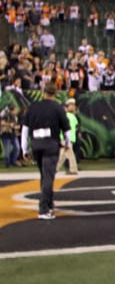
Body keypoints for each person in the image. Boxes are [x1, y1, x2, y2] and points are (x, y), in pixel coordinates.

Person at [20, 84, 70, 220]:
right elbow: (66, 128)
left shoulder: (33, 106)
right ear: (55, 93)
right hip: (51, 144)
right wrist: (68, 143)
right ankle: (43, 209)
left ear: (43, 92)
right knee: (48, 176)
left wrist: (24, 149)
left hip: (36, 144)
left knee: (44, 174)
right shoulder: (57, 108)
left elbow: (24, 129)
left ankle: (49, 203)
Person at [56, 98, 80, 175]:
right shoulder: (73, 116)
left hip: (65, 138)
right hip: (70, 138)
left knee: (67, 153)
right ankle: (55, 168)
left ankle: (73, 169)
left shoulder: (65, 116)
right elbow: (76, 127)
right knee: (63, 154)